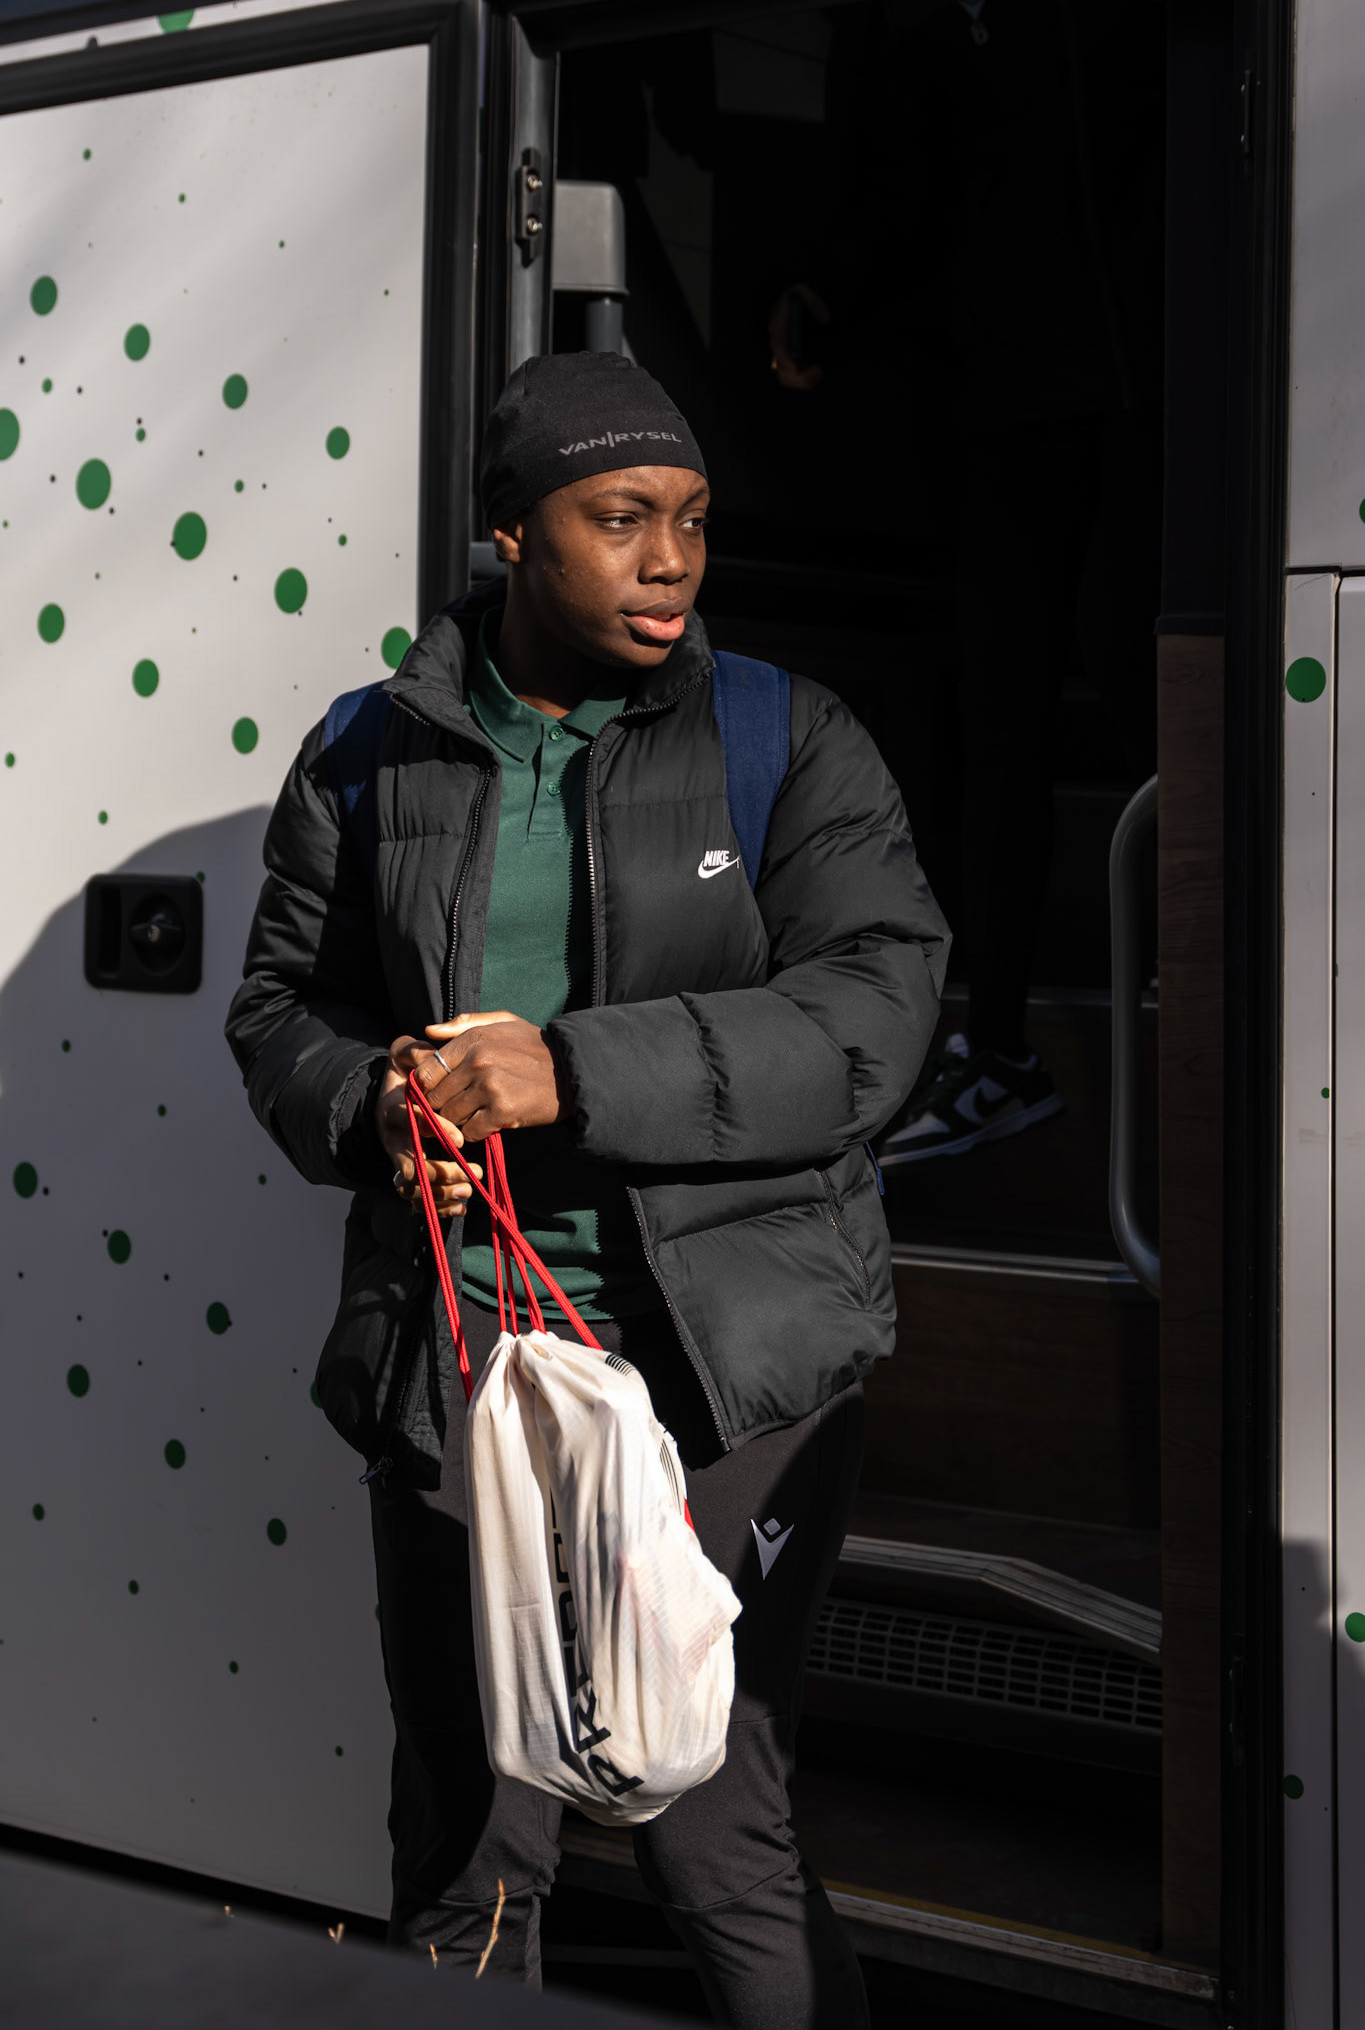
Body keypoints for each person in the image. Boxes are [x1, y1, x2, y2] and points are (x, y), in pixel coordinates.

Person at [225, 351, 949, 2028]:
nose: (669, 559)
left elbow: (874, 1017)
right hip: (462, 1360)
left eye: (692, 521)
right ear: (508, 535)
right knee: (475, 1841)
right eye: (620, 519)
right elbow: (283, 1010)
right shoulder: (370, 750)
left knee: (708, 1825)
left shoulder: (787, 735)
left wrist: (577, 1068)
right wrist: (371, 1094)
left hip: (732, 1372)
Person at [767, 0, 1163, 1164]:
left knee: (1167, 703)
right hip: (1017, 407)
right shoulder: (934, 12)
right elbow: (913, 190)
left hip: (1173, 388)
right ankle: (998, 1052)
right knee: (1003, 733)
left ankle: (1215, 1029)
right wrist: (825, 287)